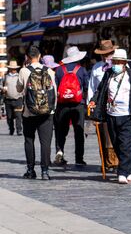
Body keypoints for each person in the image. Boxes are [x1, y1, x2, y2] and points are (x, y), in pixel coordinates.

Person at [88, 49, 131, 184]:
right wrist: (94, 100)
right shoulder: (108, 74)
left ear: (124, 63)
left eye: (118, 62)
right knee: (116, 144)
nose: (115, 64)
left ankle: (122, 172)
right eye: (114, 62)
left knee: (126, 143)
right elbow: (100, 90)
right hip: (112, 114)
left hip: (128, 115)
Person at [17, 46, 57, 180]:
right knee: (45, 143)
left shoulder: (24, 71)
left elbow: (18, 88)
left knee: (29, 140)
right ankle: (45, 171)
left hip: (29, 112)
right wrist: (52, 109)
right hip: (47, 113)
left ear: (27, 57)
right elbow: (54, 93)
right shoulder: (50, 71)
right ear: (39, 56)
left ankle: (30, 170)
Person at [54, 46, 89, 166]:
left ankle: (60, 151)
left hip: (62, 105)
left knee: (61, 131)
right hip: (78, 105)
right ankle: (79, 158)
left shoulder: (59, 70)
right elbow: (86, 88)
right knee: (79, 131)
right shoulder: (82, 70)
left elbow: (55, 88)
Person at [88, 40, 119, 171]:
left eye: (110, 53)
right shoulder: (97, 68)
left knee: (117, 133)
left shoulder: (120, 66)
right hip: (101, 105)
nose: (108, 56)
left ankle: (120, 161)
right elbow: (92, 87)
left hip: (117, 105)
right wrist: (91, 104)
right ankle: (107, 162)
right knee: (103, 134)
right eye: (105, 54)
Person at [3, 60, 23, 135]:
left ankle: (19, 130)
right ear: (10, 69)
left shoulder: (19, 76)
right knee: (9, 117)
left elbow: (22, 85)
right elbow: (1, 85)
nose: (13, 70)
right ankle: (11, 129)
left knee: (18, 116)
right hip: (8, 99)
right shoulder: (6, 76)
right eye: (12, 68)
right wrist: (3, 89)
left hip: (18, 99)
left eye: (15, 69)